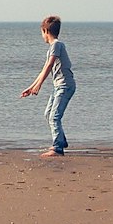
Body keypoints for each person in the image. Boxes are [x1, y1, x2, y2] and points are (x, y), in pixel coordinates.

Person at [20, 15, 75, 157]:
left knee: (54, 117)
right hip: (58, 86)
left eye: (42, 33)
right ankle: (61, 140)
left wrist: (39, 86)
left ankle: (58, 148)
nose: (42, 36)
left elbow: (49, 65)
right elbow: (45, 69)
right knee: (48, 114)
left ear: (45, 31)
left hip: (65, 86)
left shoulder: (57, 45)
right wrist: (31, 87)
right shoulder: (52, 48)